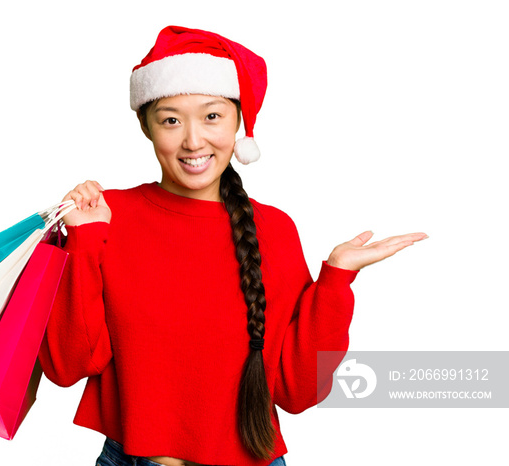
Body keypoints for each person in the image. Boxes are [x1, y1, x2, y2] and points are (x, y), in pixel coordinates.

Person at [38, 26, 427, 466]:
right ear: (144, 125)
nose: (193, 140)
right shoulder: (107, 217)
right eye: (170, 119)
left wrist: (336, 280)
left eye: (212, 116)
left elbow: (296, 391)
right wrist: (84, 241)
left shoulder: (273, 230)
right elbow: (68, 365)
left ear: (239, 121)